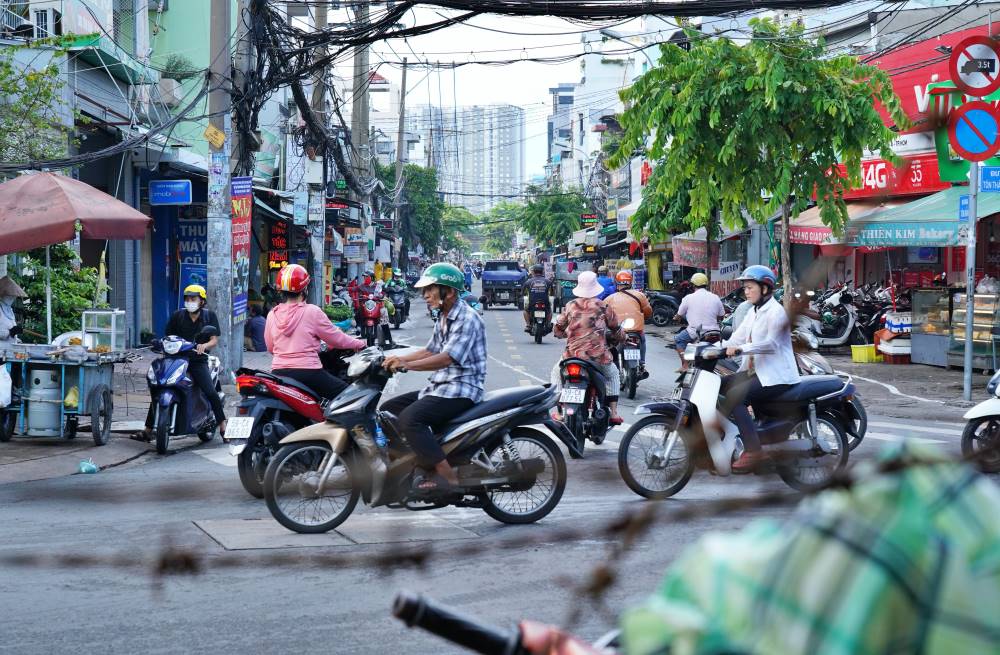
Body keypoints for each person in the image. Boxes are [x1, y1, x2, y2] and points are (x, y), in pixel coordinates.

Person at [381, 262, 487, 494]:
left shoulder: (467, 319)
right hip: (441, 387)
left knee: (410, 419)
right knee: (387, 411)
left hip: (461, 389)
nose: (425, 295)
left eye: (430, 289)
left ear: (448, 292)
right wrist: (393, 359)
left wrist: (406, 364)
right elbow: (430, 350)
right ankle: (415, 463)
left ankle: (447, 477)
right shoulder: (444, 316)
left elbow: (446, 358)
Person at [721, 265, 800, 471]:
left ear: (765, 288)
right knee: (718, 385)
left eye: (749, 287)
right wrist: (706, 349)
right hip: (757, 372)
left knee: (736, 397)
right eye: (745, 288)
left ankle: (753, 450)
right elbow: (735, 338)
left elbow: (772, 344)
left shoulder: (776, 312)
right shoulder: (753, 312)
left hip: (776, 376)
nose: (745, 291)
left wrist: (740, 349)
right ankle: (738, 433)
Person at [136, 284, 226, 440]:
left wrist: (204, 345)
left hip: (197, 360)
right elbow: (168, 337)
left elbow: (214, 340)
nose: (190, 301)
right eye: (188, 299)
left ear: (202, 301)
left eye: (193, 299)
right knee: (160, 387)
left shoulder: (209, 316)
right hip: (176, 359)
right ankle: (148, 430)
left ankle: (224, 427)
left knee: (210, 391)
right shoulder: (177, 316)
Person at [265, 264, 365, 400]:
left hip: (278, 372)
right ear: (305, 289)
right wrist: (359, 344)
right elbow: (336, 338)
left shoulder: (272, 314)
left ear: (281, 290)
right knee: (351, 396)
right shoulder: (312, 312)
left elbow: (271, 348)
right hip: (308, 372)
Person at [551, 270, 625, 424]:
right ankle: (613, 413)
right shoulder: (603, 306)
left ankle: (559, 411)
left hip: (571, 357)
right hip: (597, 357)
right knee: (613, 374)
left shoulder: (570, 305)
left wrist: (561, 333)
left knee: (556, 374)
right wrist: (622, 337)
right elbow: (616, 329)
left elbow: (558, 328)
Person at [603, 270, 653, 374]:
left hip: (618, 330)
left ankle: (611, 363)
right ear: (630, 283)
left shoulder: (609, 298)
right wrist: (645, 318)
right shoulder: (640, 295)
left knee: (608, 343)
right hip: (636, 329)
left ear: (617, 283)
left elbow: (603, 315)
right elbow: (648, 311)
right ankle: (642, 363)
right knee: (642, 339)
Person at [674, 273, 724, 372]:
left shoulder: (688, 298)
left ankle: (685, 365)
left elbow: (679, 314)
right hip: (715, 332)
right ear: (706, 284)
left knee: (679, 339)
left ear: (693, 285)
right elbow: (721, 316)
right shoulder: (715, 297)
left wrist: (676, 318)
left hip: (696, 332)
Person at [522, 264, 554, 333]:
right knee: (549, 311)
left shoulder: (528, 282)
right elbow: (552, 293)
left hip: (532, 302)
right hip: (545, 302)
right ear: (542, 272)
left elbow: (523, 292)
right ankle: (548, 323)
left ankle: (528, 325)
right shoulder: (548, 282)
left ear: (533, 272)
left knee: (525, 311)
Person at [0, 276, 26, 347]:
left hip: (11, 349)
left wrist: (16, 338)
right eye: (9, 296)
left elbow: (11, 326)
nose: (12, 298)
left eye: (13, 296)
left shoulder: (9, 310)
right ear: (2, 295)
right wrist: (10, 332)